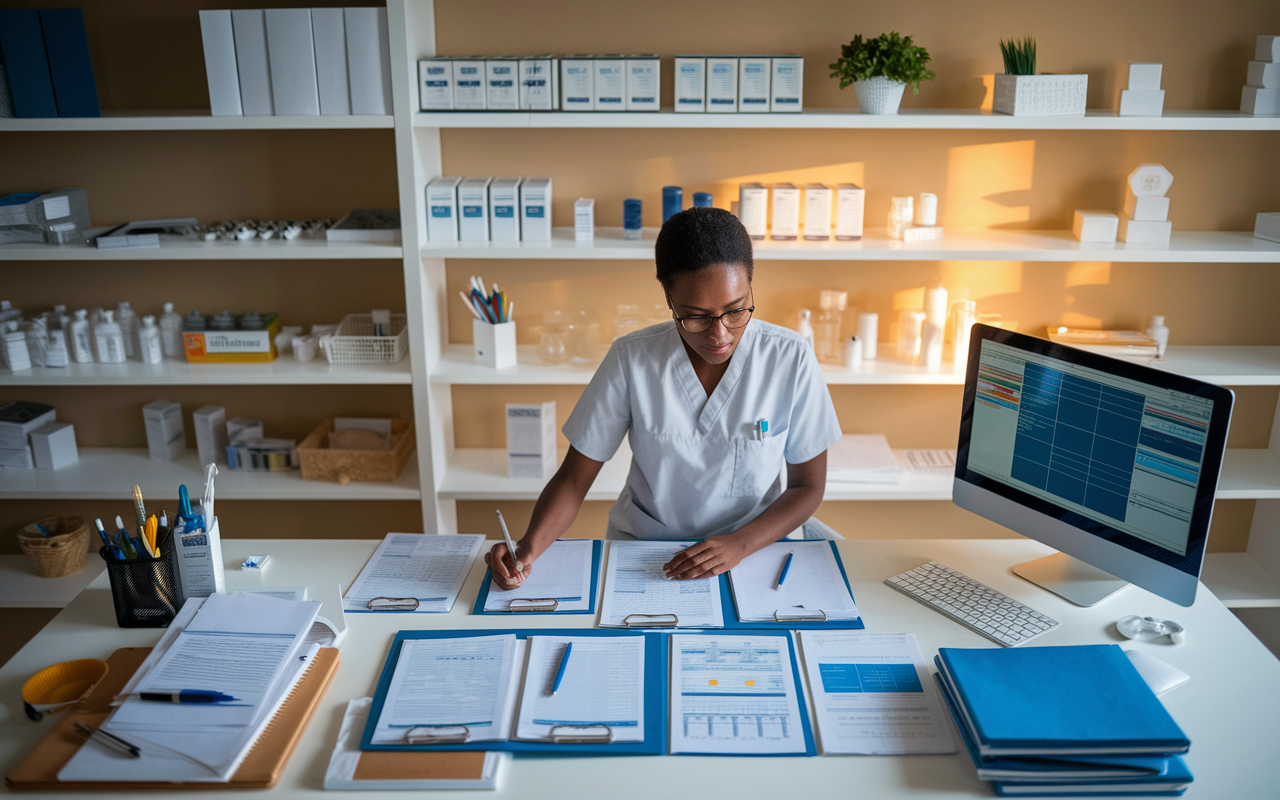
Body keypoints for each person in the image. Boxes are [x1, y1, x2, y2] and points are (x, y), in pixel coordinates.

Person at [485, 207, 842, 588]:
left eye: (736, 310)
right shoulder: (632, 357)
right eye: (696, 316)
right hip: (649, 554)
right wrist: (527, 550)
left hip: (756, 551)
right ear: (670, 301)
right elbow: (574, 480)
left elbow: (808, 486)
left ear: (751, 287)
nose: (720, 334)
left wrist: (738, 545)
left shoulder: (790, 356)